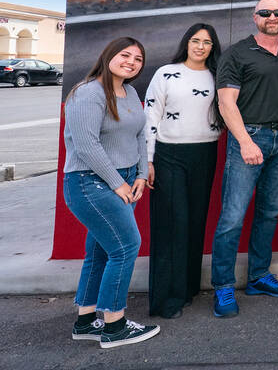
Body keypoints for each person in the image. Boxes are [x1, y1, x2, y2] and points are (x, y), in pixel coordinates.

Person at [210, 0, 278, 317]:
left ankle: (258, 276)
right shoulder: (237, 53)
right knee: (233, 216)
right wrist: (244, 141)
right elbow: (226, 102)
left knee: (269, 211)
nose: (272, 17)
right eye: (265, 12)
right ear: (255, 18)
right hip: (248, 138)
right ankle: (223, 286)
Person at [62, 36, 160, 349]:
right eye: (125, 55)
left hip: (127, 179)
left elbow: (140, 134)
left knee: (101, 251)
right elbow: (86, 146)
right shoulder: (87, 93)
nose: (131, 62)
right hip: (90, 182)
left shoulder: (130, 91)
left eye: (138, 59)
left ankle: (86, 320)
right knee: (126, 247)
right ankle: (115, 326)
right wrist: (117, 183)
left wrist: (142, 175)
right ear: (108, 56)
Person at [144, 23, 222, 319]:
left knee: (195, 221)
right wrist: (147, 160)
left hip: (205, 152)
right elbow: (150, 115)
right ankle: (166, 299)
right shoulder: (165, 73)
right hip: (169, 155)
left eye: (207, 42)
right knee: (170, 225)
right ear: (186, 43)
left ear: (213, 47)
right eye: (195, 40)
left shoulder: (217, 76)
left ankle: (187, 289)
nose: (200, 46)